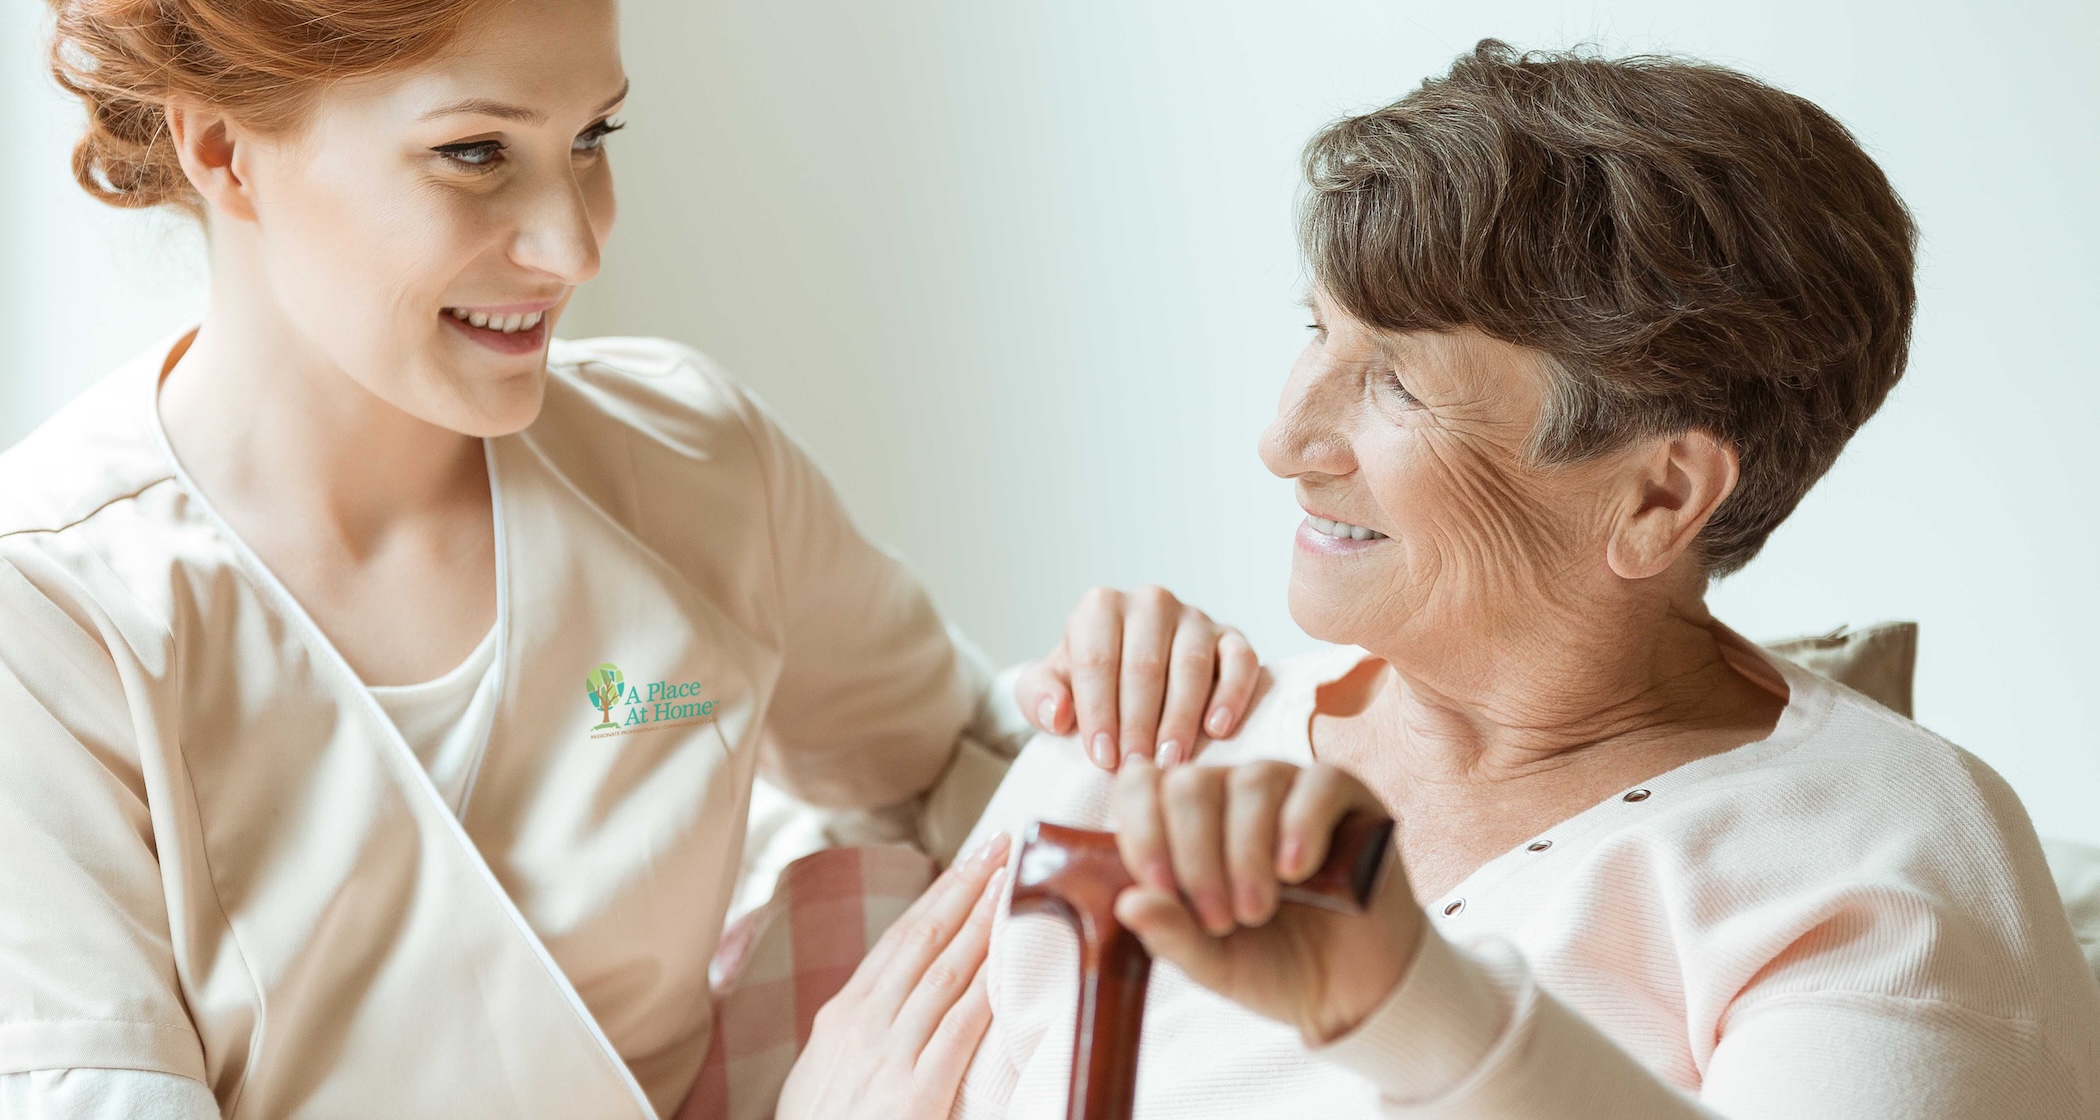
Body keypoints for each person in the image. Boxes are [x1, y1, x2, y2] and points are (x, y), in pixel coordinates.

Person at [783, 41, 2100, 1119]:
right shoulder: (1145, 749)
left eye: (1396, 379)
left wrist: (1418, 1003)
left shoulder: (1879, 859)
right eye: (1318, 330)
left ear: (1658, 493)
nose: (1285, 440)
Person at [0, 0, 1264, 1115]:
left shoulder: (695, 463)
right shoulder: (49, 614)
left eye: (593, 138)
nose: (573, 244)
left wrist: (1120, 704)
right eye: (476, 153)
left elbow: (973, 788)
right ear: (221, 147)